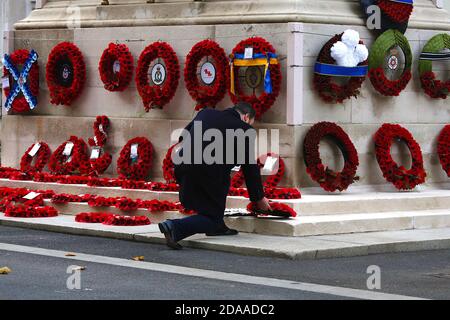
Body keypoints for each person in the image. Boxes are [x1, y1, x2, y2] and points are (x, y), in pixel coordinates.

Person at [158, 102, 272, 250]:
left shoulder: (205, 113)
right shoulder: (244, 129)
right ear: (246, 117)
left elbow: (182, 137)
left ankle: (218, 227)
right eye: (251, 123)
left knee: (215, 189)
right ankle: (174, 227)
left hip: (183, 166)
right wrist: (258, 198)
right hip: (207, 171)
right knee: (212, 218)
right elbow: (250, 168)